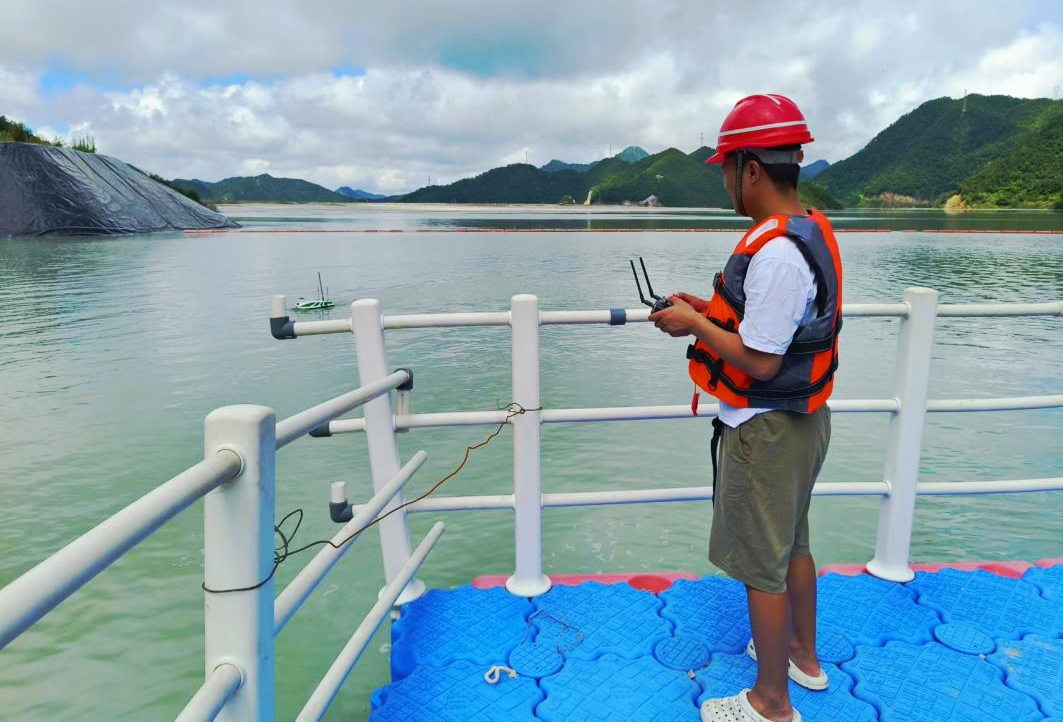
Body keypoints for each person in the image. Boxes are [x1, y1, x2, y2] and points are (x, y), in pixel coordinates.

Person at [648, 94, 843, 722]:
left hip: (769, 430)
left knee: (763, 566)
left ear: (751, 169)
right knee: (793, 546)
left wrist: (692, 326)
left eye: (727, 169)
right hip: (802, 420)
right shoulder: (806, 230)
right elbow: (770, 330)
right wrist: (704, 312)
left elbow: (760, 361)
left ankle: (770, 703)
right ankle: (803, 657)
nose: (726, 182)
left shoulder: (778, 253)